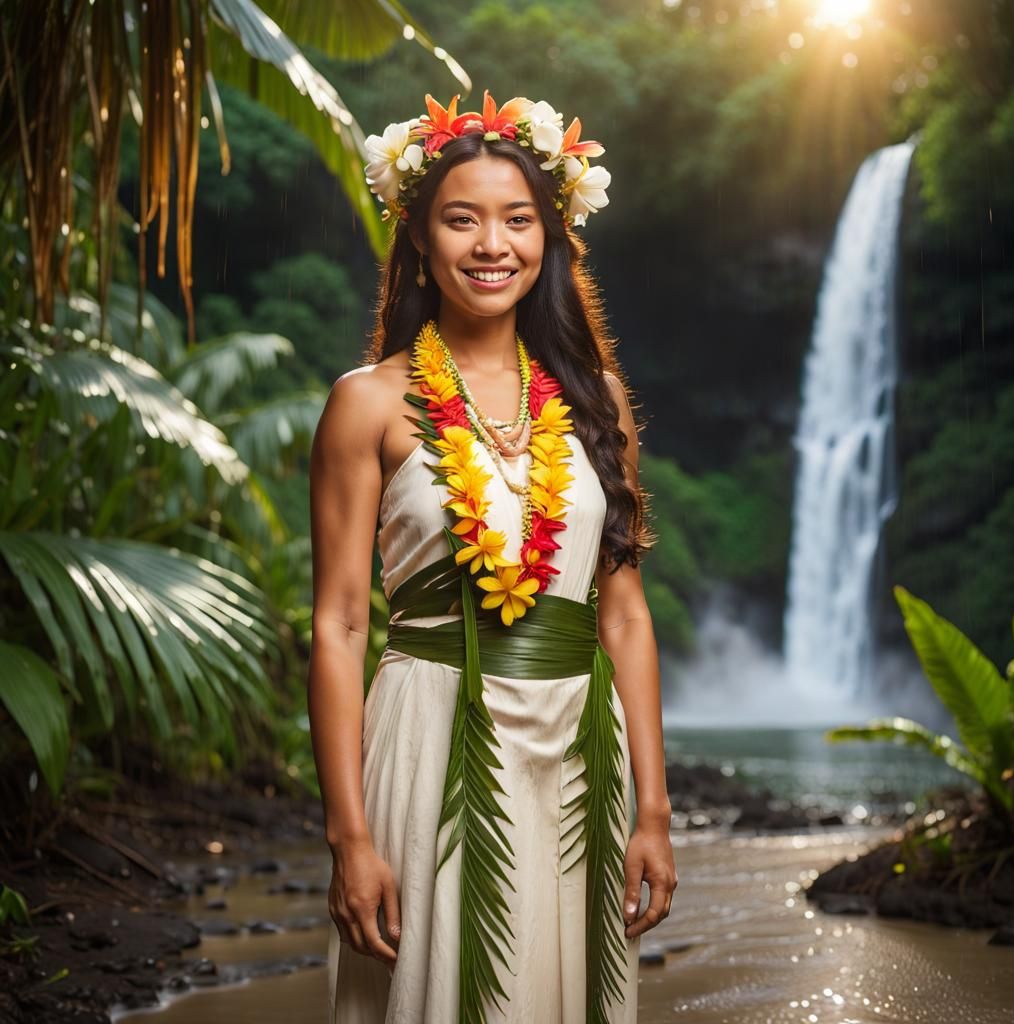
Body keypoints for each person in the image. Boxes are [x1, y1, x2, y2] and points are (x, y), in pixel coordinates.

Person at [308, 90, 676, 1024]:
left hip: (581, 750)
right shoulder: (370, 404)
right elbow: (342, 623)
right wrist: (348, 836)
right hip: (433, 736)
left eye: (518, 220)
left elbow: (624, 614)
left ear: (550, 239)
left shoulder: (597, 404)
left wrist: (655, 812)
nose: (491, 244)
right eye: (461, 219)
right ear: (420, 240)